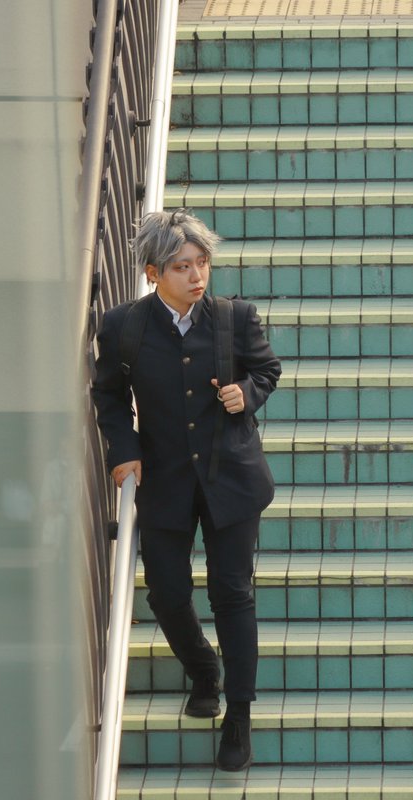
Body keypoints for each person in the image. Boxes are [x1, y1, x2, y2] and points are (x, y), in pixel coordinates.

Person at [91, 209, 280, 772]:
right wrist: (123, 449)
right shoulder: (124, 327)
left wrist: (246, 393)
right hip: (165, 479)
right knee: (167, 593)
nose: (197, 276)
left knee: (231, 593)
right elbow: (108, 395)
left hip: (233, 478)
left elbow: (266, 370)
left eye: (203, 263)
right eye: (182, 266)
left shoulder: (234, 318)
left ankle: (238, 716)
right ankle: (203, 669)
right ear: (153, 273)